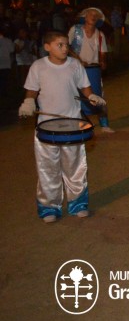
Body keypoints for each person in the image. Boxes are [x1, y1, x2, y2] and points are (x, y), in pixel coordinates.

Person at [18, 31, 106, 222]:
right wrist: (28, 102)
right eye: (60, 45)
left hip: (73, 125)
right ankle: (50, 208)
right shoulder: (38, 66)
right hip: (46, 127)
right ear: (47, 47)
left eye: (66, 44)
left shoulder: (74, 65)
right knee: (47, 169)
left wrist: (91, 96)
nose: (65, 48)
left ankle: (78, 205)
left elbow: (85, 87)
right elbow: (32, 90)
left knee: (76, 168)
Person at [68, 7, 114, 133]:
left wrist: (103, 61)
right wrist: (78, 59)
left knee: (99, 96)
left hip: (94, 70)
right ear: (85, 16)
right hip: (76, 69)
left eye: (96, 15)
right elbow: (65, 47)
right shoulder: (75, 30)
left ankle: (104, 124)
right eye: (90, 14)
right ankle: (80, 126)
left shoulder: (100, 34)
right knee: (76, 98)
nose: (93, 16)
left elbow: (103, 51)